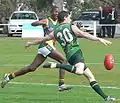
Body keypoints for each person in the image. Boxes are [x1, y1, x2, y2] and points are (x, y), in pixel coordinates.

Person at [25, 11, 117, 101]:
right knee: (80, 71)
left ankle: (106, 98)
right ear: (65, 18)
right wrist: (98, 39)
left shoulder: (55, 31)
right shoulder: (70, 26)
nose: (70, 19)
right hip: (76, 53)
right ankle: (56, 65)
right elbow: (83, 34)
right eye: (69, 17)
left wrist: (31, 43)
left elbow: (43, 39)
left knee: (91, 77)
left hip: (70, 55)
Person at [1, 6, 72, 91]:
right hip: (45, 46)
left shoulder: (59, 23)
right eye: (55, 12)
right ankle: (61, 84)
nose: (56, 13)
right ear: (51, 12)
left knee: (32, 68)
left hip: (47, 47)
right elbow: (33, 24)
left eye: (58, 12)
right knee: (63, 60)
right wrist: (39, 23)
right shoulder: (47, 20)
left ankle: (9, 76)